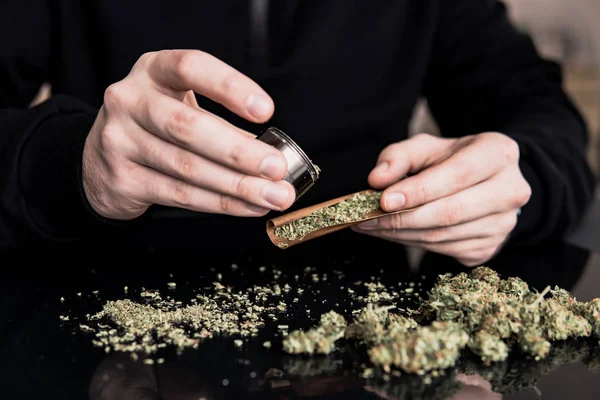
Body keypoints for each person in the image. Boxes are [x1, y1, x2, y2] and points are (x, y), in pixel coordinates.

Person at [0, 0, 595, 268]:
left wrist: (518, 179)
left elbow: (544, 119)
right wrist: (74, 168)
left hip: (369, 334)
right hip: (96, 323)